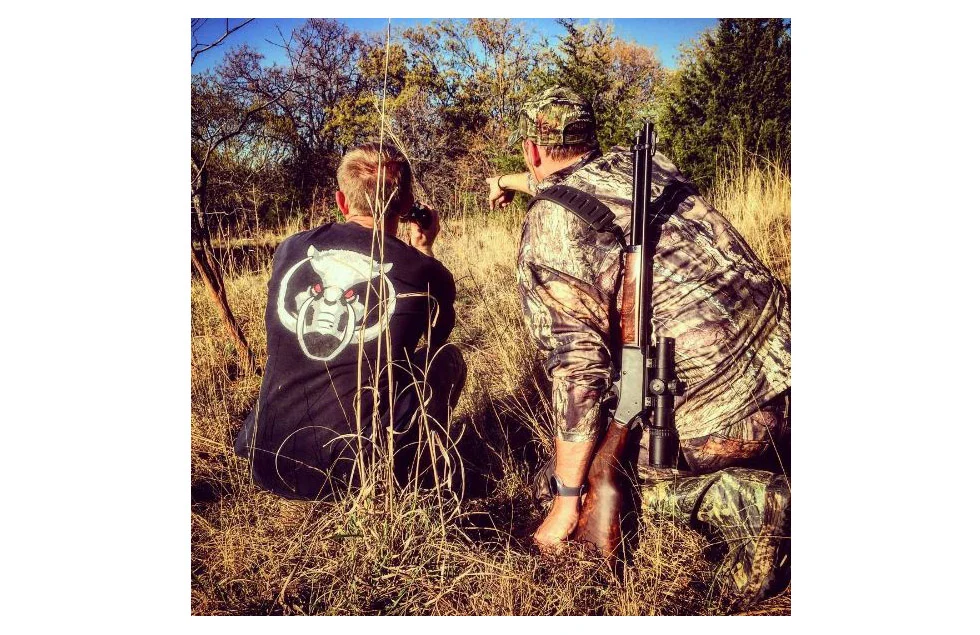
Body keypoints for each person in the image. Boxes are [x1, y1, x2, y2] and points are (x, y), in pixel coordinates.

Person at [487, 87, 791, 608]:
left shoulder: (551, 225)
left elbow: (579, 373)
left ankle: (740, 500)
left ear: (531, 150)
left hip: (732, 420)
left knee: (587, 475)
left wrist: (565, 501)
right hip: (792, 367)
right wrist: (509, 184)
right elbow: (563, 182)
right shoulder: (650, 170)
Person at [235, 141, 465, 500]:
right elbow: (436, 339)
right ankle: (416, 473)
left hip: (265, 461)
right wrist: (423, 249)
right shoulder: (424, 271)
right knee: (448, 359)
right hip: (354, 478)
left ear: (342, 202)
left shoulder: (290, 247)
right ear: (405, 206)